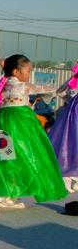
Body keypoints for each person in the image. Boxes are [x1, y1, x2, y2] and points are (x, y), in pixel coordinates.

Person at [0, 54, 68, 213]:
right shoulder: (23, 86)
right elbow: (47, 90)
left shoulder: (1, 86)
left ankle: (5, 194)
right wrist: (57, 90)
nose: (30, 74)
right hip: (21, 124)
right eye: (28, 70)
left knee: (6, 156)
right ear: (16, 71)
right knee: (25, 157)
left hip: (2, 122)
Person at [49, 64, 78, 194]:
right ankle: (71, 174)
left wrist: (70, 100)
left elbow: (59, 91)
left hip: (73, 111)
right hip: (74, 113)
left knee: (71, 141)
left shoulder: (73, 79)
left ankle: (71, 173)